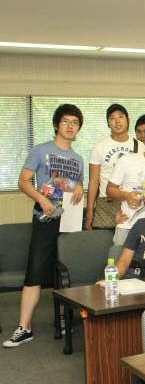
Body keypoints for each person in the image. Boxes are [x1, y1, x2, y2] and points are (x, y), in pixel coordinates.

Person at [4, 104, 84, 348]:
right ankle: (24, 327)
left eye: (75, 122)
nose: (70, 126)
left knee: (66, 272)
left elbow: (77, 184)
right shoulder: (40, 150)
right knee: (35, 270)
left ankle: (62, 319)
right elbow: (23, 181)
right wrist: (41, 199)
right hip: (45, 218)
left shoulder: (78, 158)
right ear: (57, 124)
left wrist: (80, 186)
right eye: (66, 121)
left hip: (69, 220)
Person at [85, 104, 144, 230]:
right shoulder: (99, 146)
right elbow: (93, 181)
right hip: (107, 203)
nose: (117, 121)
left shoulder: (140, 146)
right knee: (105, 240)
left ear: (128, 120)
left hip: (132, 203)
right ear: (108, 123)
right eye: (112, 118)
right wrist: (89, 214)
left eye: (121, 117)